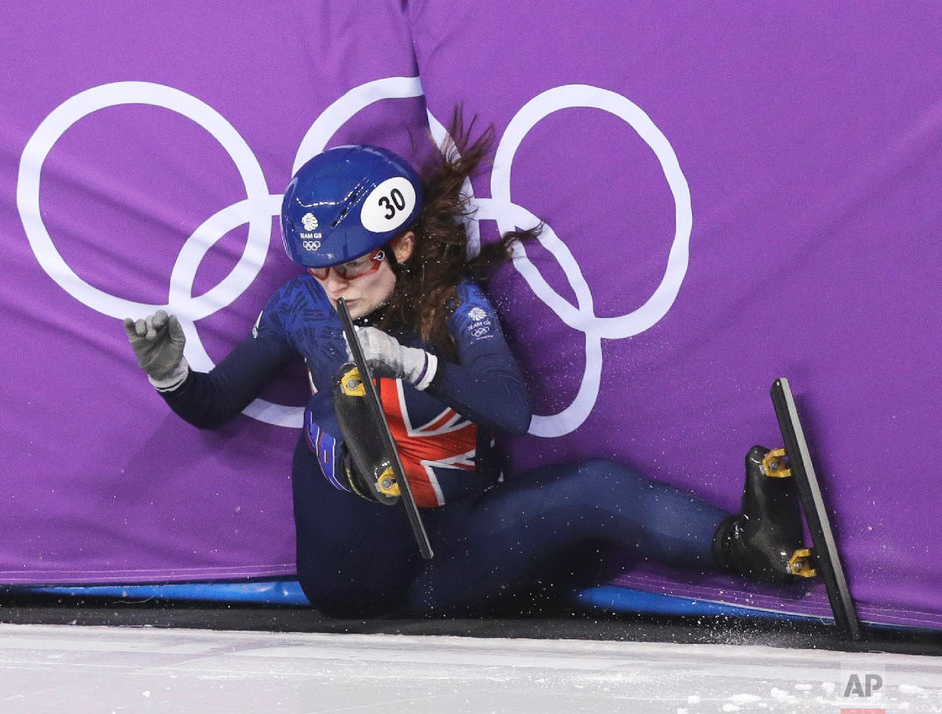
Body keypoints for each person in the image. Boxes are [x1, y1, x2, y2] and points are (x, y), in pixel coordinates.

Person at [124, 119, 806, 617]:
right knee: (350, 410)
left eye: (353, 266)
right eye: (319, 270)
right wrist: (171, 374)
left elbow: (512, 410)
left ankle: (747, 544)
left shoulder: (457, 306)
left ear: (403, 244)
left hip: (443, 564)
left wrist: (417, 364)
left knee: (596, 484)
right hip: (346, 575)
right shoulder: (302, 307)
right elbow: (213, 404)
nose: (336, 288)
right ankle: (370, 461)